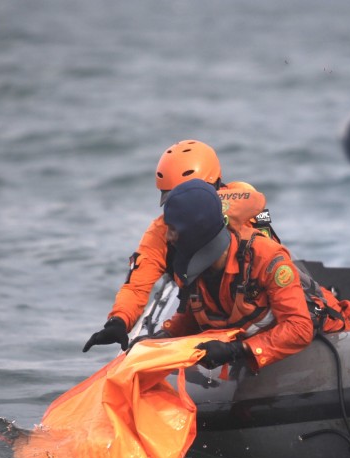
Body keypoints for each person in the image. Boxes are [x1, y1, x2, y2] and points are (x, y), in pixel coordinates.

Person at [83, 140, 275, 353]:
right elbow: (137, 284)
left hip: (248, 300)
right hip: (196, 301)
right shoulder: (162, 231)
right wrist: (119, 321)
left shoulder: (244, 213)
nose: (177, 207)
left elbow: (266, 258)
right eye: (172, 200)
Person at [155, 179, 350, 371]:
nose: (168, 236)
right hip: (261, 350)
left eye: (173, 229)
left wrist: (238, 350)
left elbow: (299, 328)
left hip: (329, 343)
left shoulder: (265, 257)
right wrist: (161, 339)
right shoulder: (190, 266)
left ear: (197, 231)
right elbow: (190, 314)